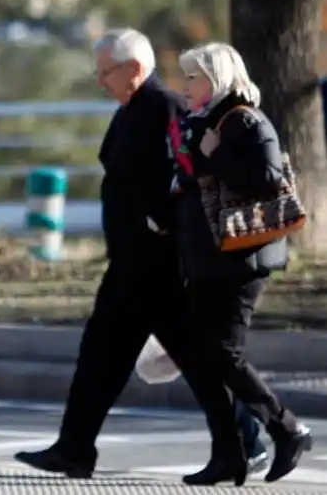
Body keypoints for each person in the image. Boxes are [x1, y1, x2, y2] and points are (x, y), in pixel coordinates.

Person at [13, 28, 266, 485]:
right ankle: (74, 448)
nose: (100, 82)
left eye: (105, 72)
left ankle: (248, 441)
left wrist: (159, 220)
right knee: (100, 356)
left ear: (133, 68)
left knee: (197, 360)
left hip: (158, 265)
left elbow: (185, 173)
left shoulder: (163, 106)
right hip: (131, 264)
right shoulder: (131, 109)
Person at [172, 41, 312, 484]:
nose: (185, 85)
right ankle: (232, 453)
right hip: (209, 258)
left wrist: (215, 152)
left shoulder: (245, 119)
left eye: (193, 76)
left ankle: (286, 428)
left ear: (216, 78)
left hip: (241, 258)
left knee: (222, 354)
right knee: (205, 356)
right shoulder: (204, 123)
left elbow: (268, 178)